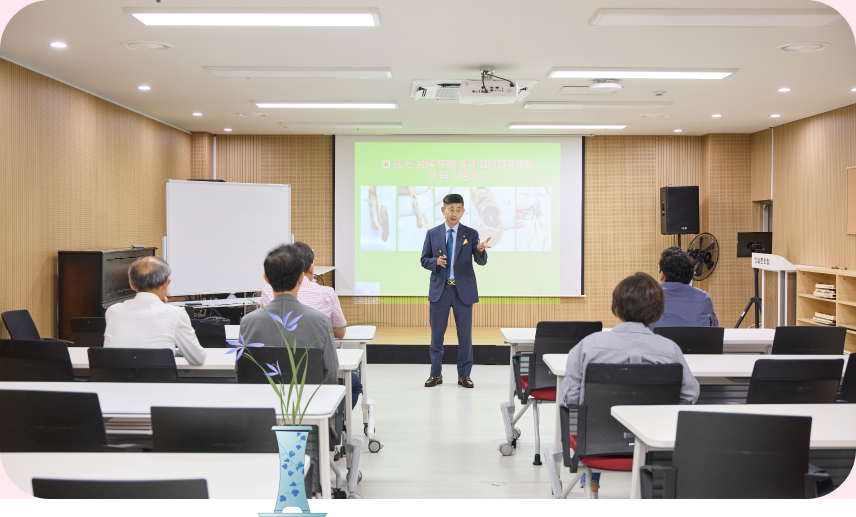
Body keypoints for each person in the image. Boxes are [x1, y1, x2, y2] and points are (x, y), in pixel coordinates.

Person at [561, 272, 700, 496]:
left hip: (596, 445)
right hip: (654, 445)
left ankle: (590, 481)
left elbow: (572, 399)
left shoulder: (588, 346)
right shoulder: (670, 350)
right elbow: (689, 396)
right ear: (658, 310)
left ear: (616, 305)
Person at [261, 241, 362, 408]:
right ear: (310, 269)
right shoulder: (326, 294)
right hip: (316, 379)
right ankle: (333, 426)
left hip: (275, 376)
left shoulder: (266, 293)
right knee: (354, 384)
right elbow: (340, 333)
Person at [240, 244, 339, 388]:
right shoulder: (321, 321)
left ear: (266, 278)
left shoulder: (247, 322)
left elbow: (243, 372)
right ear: (301, 277)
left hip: (263, 405)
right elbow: (330, 374)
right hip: (310, 406)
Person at [419, 193, 491, 388]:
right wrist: (436, 262)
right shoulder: (433, 233)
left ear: (463, 212)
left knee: (465, 337)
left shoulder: (471, 233)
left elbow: (480, 261)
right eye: (451, 209)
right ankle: (436, 374)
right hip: (440, 291)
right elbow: (424, 259)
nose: (454, 213)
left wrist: (482, 250)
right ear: (443, 210)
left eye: (458, 210)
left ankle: (464, 375)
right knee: (437, 337)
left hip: (463, 292)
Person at [104, 256, 207, 365]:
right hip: (159, 381)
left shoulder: (112, 311)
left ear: (131, 284)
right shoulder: (175, 314)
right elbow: (197, 359)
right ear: (166, 282)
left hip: (117, 381)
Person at [650, 246, 719, 328]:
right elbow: (714, 330)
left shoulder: (648, 298)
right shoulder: (704, 299)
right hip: (695, 341)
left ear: (662, 275)